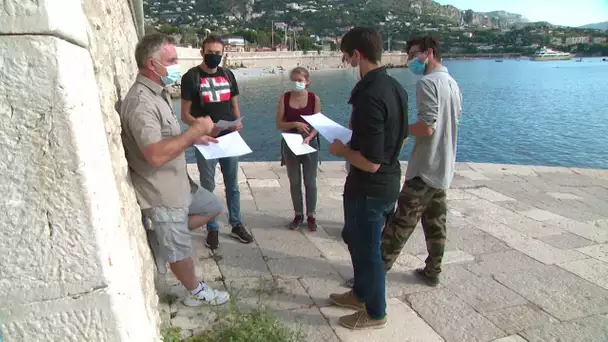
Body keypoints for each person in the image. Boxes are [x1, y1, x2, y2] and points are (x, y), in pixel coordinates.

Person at [120, 33, 229, 307]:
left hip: (181, 184)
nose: (176, 65)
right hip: (161, 191)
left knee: (212, 206)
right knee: (180, 251)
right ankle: (196, 292)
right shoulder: (141, 103)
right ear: (151, 64)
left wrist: (195, 138)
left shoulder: (160, 93)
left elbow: (167, 137)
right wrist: (194, 130)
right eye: (171, 60)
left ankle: (161, 238)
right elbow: (155, 154)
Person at [327, 27, 408, 330]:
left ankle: (376, 312)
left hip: (369, 189)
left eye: (346, 57)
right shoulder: (395, 87)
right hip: (388, 183)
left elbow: (371, 163)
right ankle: (360, 293)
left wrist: (341, 150)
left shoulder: (369, 97)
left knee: (368, 251)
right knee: (356, 239)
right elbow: (398, 140)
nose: (346, 63)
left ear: (358, 55)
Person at [381, 36, 462, 286]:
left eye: (413, 54)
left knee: (399, 224)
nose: (409, 60)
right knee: (436, 222)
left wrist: (398, 128)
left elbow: (427, 127)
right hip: (443, 166)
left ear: (428, 53)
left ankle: (373, 273)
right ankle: (433, 271)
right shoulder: (453, 84)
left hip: (425, 167)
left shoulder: (427, 83)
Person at [180, 34, 253, 250]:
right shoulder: (191, 77)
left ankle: (237, 224)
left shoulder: (228, 74)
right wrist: (202, 127)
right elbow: (185, 115)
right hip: (205, 139)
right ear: (202, 52)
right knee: (208, 186)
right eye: (210, 53)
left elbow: (234, 103)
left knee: (233, 185)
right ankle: (212, 228)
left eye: (218, 54)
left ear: (223, 54)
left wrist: (237, 123)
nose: (214, 57)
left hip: (230, 137)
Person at [275, 67, 321, 231]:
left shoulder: (314, 99)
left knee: (310, 181)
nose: (297, 83)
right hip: (290, 143)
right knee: (294, 181)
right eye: (294, 80)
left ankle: (311, 215)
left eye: (300, 80)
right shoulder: (284, 98)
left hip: (310, 143)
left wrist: (310, 137)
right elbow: (279, 124)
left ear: (307, 81)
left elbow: (318, 124)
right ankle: (298, 214)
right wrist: (295, 124)